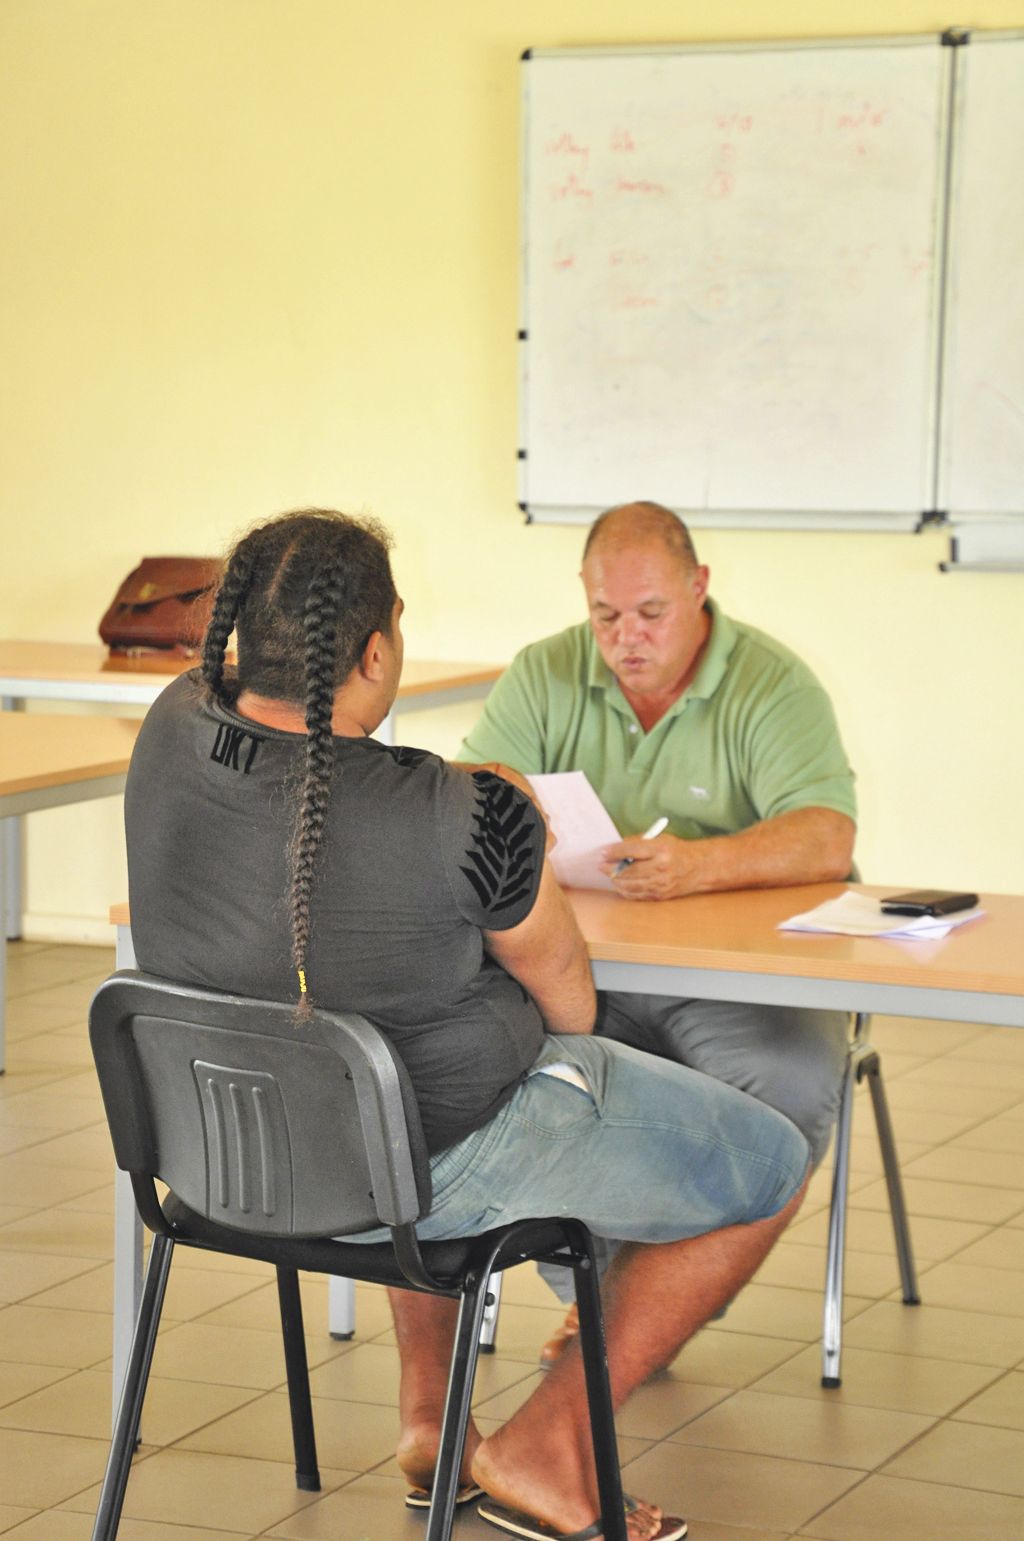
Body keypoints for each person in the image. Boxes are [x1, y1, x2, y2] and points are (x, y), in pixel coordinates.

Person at [124, 508, 809, 1541]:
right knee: (770, 1159)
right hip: (422, 1165)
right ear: (375, 646)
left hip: (221, 1164)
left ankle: (427, 1420)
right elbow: (570, 1006)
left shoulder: (169, 727)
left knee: (393, 1086)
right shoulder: (467, 815)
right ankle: (545, 1442)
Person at [457, 500, 856, 1360]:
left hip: (746, 980)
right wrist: (515, 810)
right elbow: (476, 788)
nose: (626, 638)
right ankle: (599, 1299)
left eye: (651, 614)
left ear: (700, 589)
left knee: (791, 1078)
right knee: (520, 1071)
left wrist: (700, 866)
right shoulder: (546, 670)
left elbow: (827, 833)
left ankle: (653, 1311)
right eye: (605, 616)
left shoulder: (770, 682)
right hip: (590, 969)